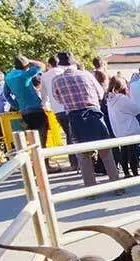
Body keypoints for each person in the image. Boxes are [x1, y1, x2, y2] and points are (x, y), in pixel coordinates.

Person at [51, 51, 121, 189]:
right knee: (106, 154)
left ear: (59, 64)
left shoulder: (56, 80)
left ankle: (91, 188)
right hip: (94, 114)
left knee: (84, 157)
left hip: (74, 117)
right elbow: (101, 94)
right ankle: (117, 185)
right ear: (74, 62)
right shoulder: (86, 75)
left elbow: (57, 98)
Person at [42, 55, 78, 170]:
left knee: (68, 134)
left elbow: (44, 95)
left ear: (49, 64)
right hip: (69, 106)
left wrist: (45, 105)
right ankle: (76, 161)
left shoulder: (44, 76)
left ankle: (74, 162)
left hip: (56, 110)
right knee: (73, 135)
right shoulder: (63, 72)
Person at [105, 76, 140, 178]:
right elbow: (136, 110)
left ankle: (126, 172)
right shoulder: (122, 99)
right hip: (129, 127)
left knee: (124, 151)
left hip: (118, 129)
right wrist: (129, 96)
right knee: (132, 151)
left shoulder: (109, 99)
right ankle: (135, 172)